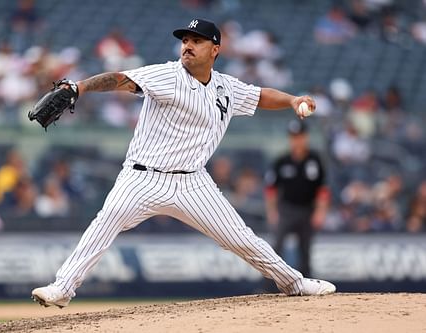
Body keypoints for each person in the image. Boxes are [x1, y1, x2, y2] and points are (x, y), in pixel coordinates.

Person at [31, 18, 336, 308]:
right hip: (142, 178)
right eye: (185, 40)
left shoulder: (225, 87)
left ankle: (294, 283)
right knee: (105, 222)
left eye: (197, 41)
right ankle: (63, 288)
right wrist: (78, 88)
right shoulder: (167, 75)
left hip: (193, 182)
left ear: (215, 49)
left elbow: (260, 97)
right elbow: (121, 79)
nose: (187, 45)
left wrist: (293, 100)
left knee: (241, 239)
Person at [264, 120, 330, 277]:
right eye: (293, 137)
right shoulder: (282, 161)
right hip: (286, 210)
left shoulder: (315, 160)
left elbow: (323, 189)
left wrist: (320, 212)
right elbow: (271, 189)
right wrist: (272, 212)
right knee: (276, 247)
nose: (297, 140)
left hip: (307, 210)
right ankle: (269, 284)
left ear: (305, 137)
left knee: (305, 249)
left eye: (300, 136)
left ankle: (307, 283)